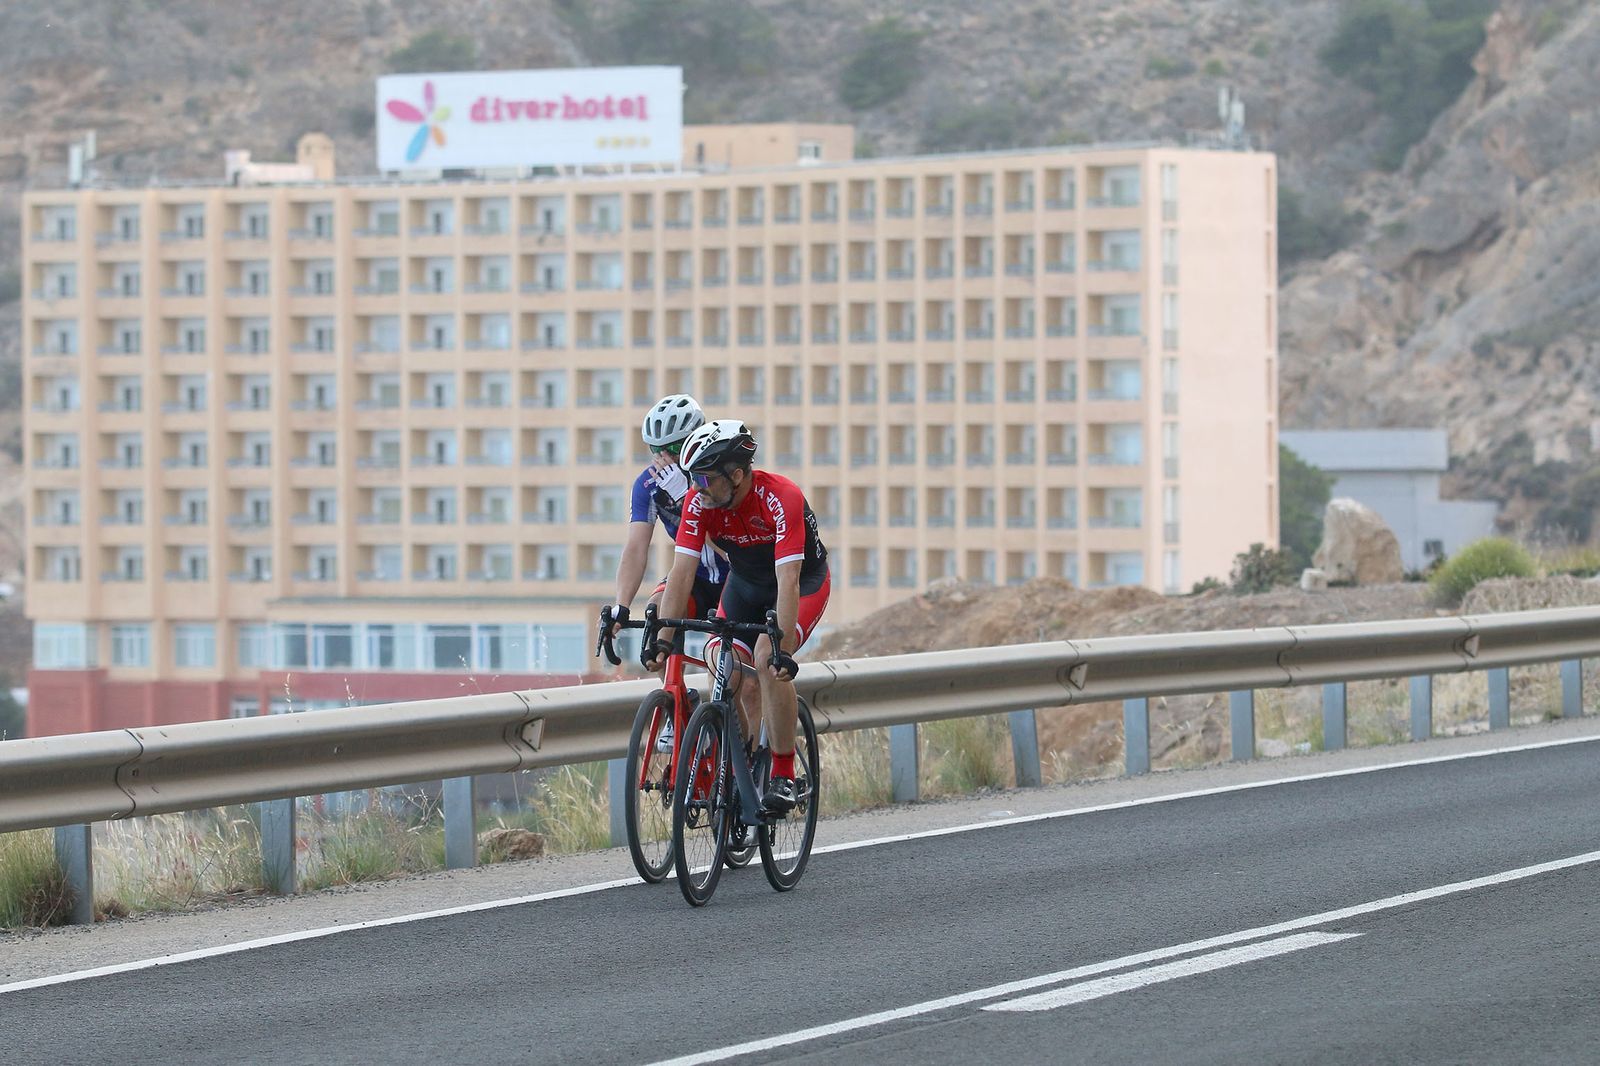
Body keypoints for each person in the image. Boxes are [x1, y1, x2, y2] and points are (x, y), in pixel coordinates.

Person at [644, 419, 830, 813]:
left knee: (766, 658)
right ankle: (741, 760)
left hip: (799, 584)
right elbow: (681, 573)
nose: (698, 488)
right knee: (721, 663)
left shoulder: (781, 497)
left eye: (707, 479)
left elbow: (789, 578)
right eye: (694, 478)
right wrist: (663, 639)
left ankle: (781, 773)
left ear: (738, 474)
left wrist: (782, 648)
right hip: (744, 585)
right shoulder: (700, 502)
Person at [604, 394, 728, 751]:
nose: (665, 459)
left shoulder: (718, 479)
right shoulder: (649, 484)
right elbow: (636, 547)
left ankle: (738, 738)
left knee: (728, 663)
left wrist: (690, 497)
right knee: (657, 614)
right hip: (694, 579)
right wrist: (620, 606)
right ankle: (678, 706)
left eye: (673, 448)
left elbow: (728, 547)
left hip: (735, 575)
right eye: (655, 450)